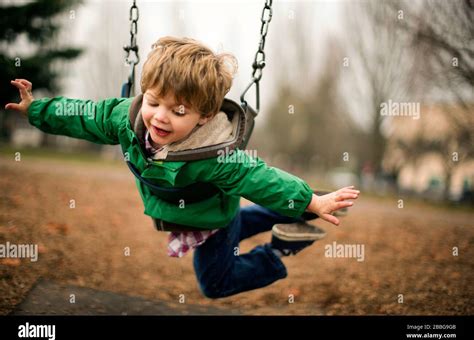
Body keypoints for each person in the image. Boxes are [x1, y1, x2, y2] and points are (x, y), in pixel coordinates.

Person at [5, 37, 359, 298]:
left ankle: (280, 247)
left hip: (212, 222)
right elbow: (86, 116)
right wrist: (38, 110)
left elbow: (257, 177)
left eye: (178, 111)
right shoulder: (125, 118)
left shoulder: (212, 155)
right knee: (241, 217)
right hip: (204, 210)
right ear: (145, 93)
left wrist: (309, 200)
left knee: (215, 283)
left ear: (204, 116)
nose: (160, 116)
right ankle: (300, 213)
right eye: (154, 101)